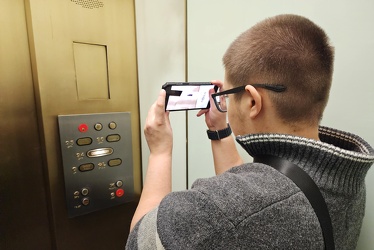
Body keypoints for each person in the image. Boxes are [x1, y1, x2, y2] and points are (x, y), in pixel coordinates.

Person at [126, 14, 374, 249]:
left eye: (229, 95)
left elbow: (140, 241)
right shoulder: (344, 173)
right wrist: (219, 130)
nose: (228, 104)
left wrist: (160, 153)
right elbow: (257, 188)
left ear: (253, 102)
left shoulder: (220, 210)